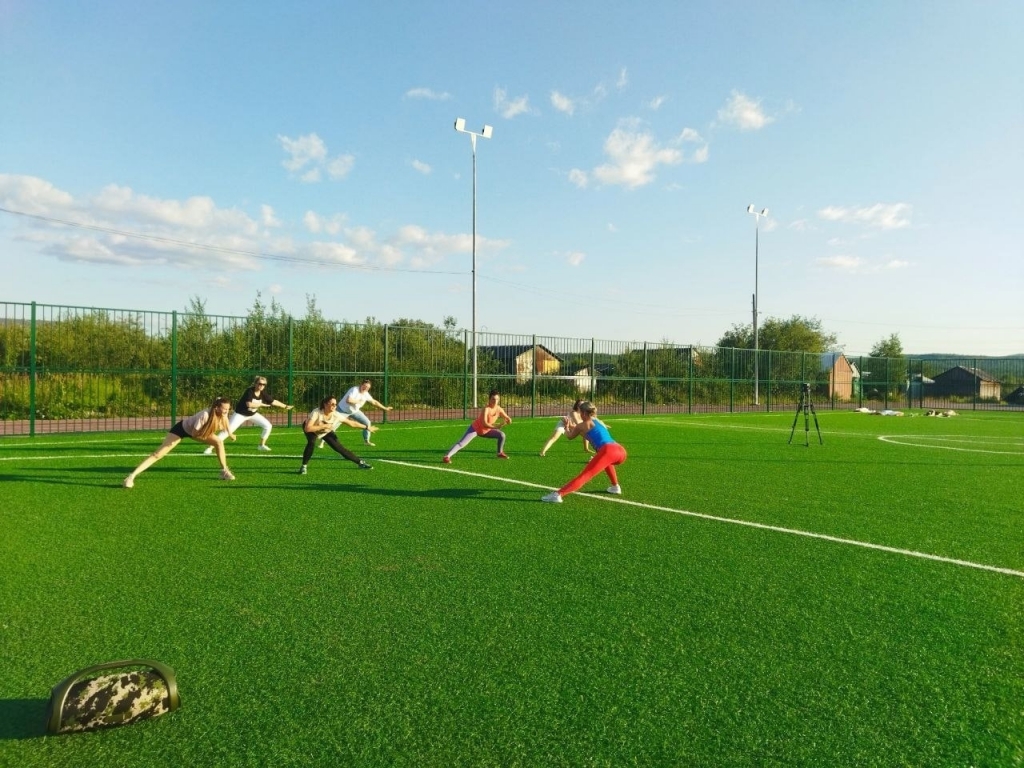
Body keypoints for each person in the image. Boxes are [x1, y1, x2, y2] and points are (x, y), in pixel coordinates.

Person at [124, 398, 236, 488]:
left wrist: (230, 434)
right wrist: (208, 438)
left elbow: (226, 421)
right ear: (216, 407)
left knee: (219, 442)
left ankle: (224, 471)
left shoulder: (223, 414)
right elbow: (194, 433)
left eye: (228, 409)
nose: (227, 411)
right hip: (182, 430)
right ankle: (130, 477)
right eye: (224, 409)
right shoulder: (205, 415)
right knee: (158, 454)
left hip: (199, 432)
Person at [541, 401, 625, 503]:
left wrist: (567, 427)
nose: (579, 414)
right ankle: (615, 486)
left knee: (585, 475)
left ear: (584, 413)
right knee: (607, 462)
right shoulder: (598, 421)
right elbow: (589, 432)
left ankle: (558, 495)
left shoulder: (582, 425)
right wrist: (572, 426)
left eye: (580, 412)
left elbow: (569, 436)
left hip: (608, 451)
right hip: (620, 451)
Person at [204, 375, 293, 454]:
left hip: (252, 414)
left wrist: (285, 406)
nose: (261, 386)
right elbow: (249, 404)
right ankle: (210, 448)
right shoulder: (249, 391)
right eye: (260, 384)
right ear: (255, 383)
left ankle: (261, 445)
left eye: (264, 384)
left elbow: (273, 401)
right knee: (227, 431)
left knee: (268, 426)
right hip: (240, 414)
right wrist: (261, 404)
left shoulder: (263, 393)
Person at [299, 395, 374, 475]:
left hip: (325, 431)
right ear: (325, 404)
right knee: (311, 443)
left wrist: (367, 427)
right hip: (312, 430)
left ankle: (360, 463)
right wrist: (324, 426)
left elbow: (351, 423)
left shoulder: (336, 415)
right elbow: (308, 428)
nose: (334, 406)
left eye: (335, 404)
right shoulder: (317, 412)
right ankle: (304, 466)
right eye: (332, 404)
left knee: (340, 448)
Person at [443, 389, 511, 462]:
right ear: (489, 399)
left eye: (497, 399)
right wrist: (496, 426)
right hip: (475, 429)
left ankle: (499, 453)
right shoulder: (486, 409)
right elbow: (485, 423)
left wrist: (508, 420)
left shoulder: (499, 409)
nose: (495, 401)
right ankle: (447, 456)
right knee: (462, 444)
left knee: (502, 435)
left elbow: (507, 418)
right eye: (493, 399)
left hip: (486, 431)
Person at [330, 379, 392, 447]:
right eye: (364, 386)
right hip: (342, 410)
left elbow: (374, 402)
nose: (365, 388)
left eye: (368, 387)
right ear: (361, 385)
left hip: (354, 411)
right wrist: (358, 401)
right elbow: (348, 400)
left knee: (367, 422)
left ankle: (367, 441)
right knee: (333, 425)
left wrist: (385, 408)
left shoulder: (366, 394)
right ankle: (324, 440)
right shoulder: (354, 389)